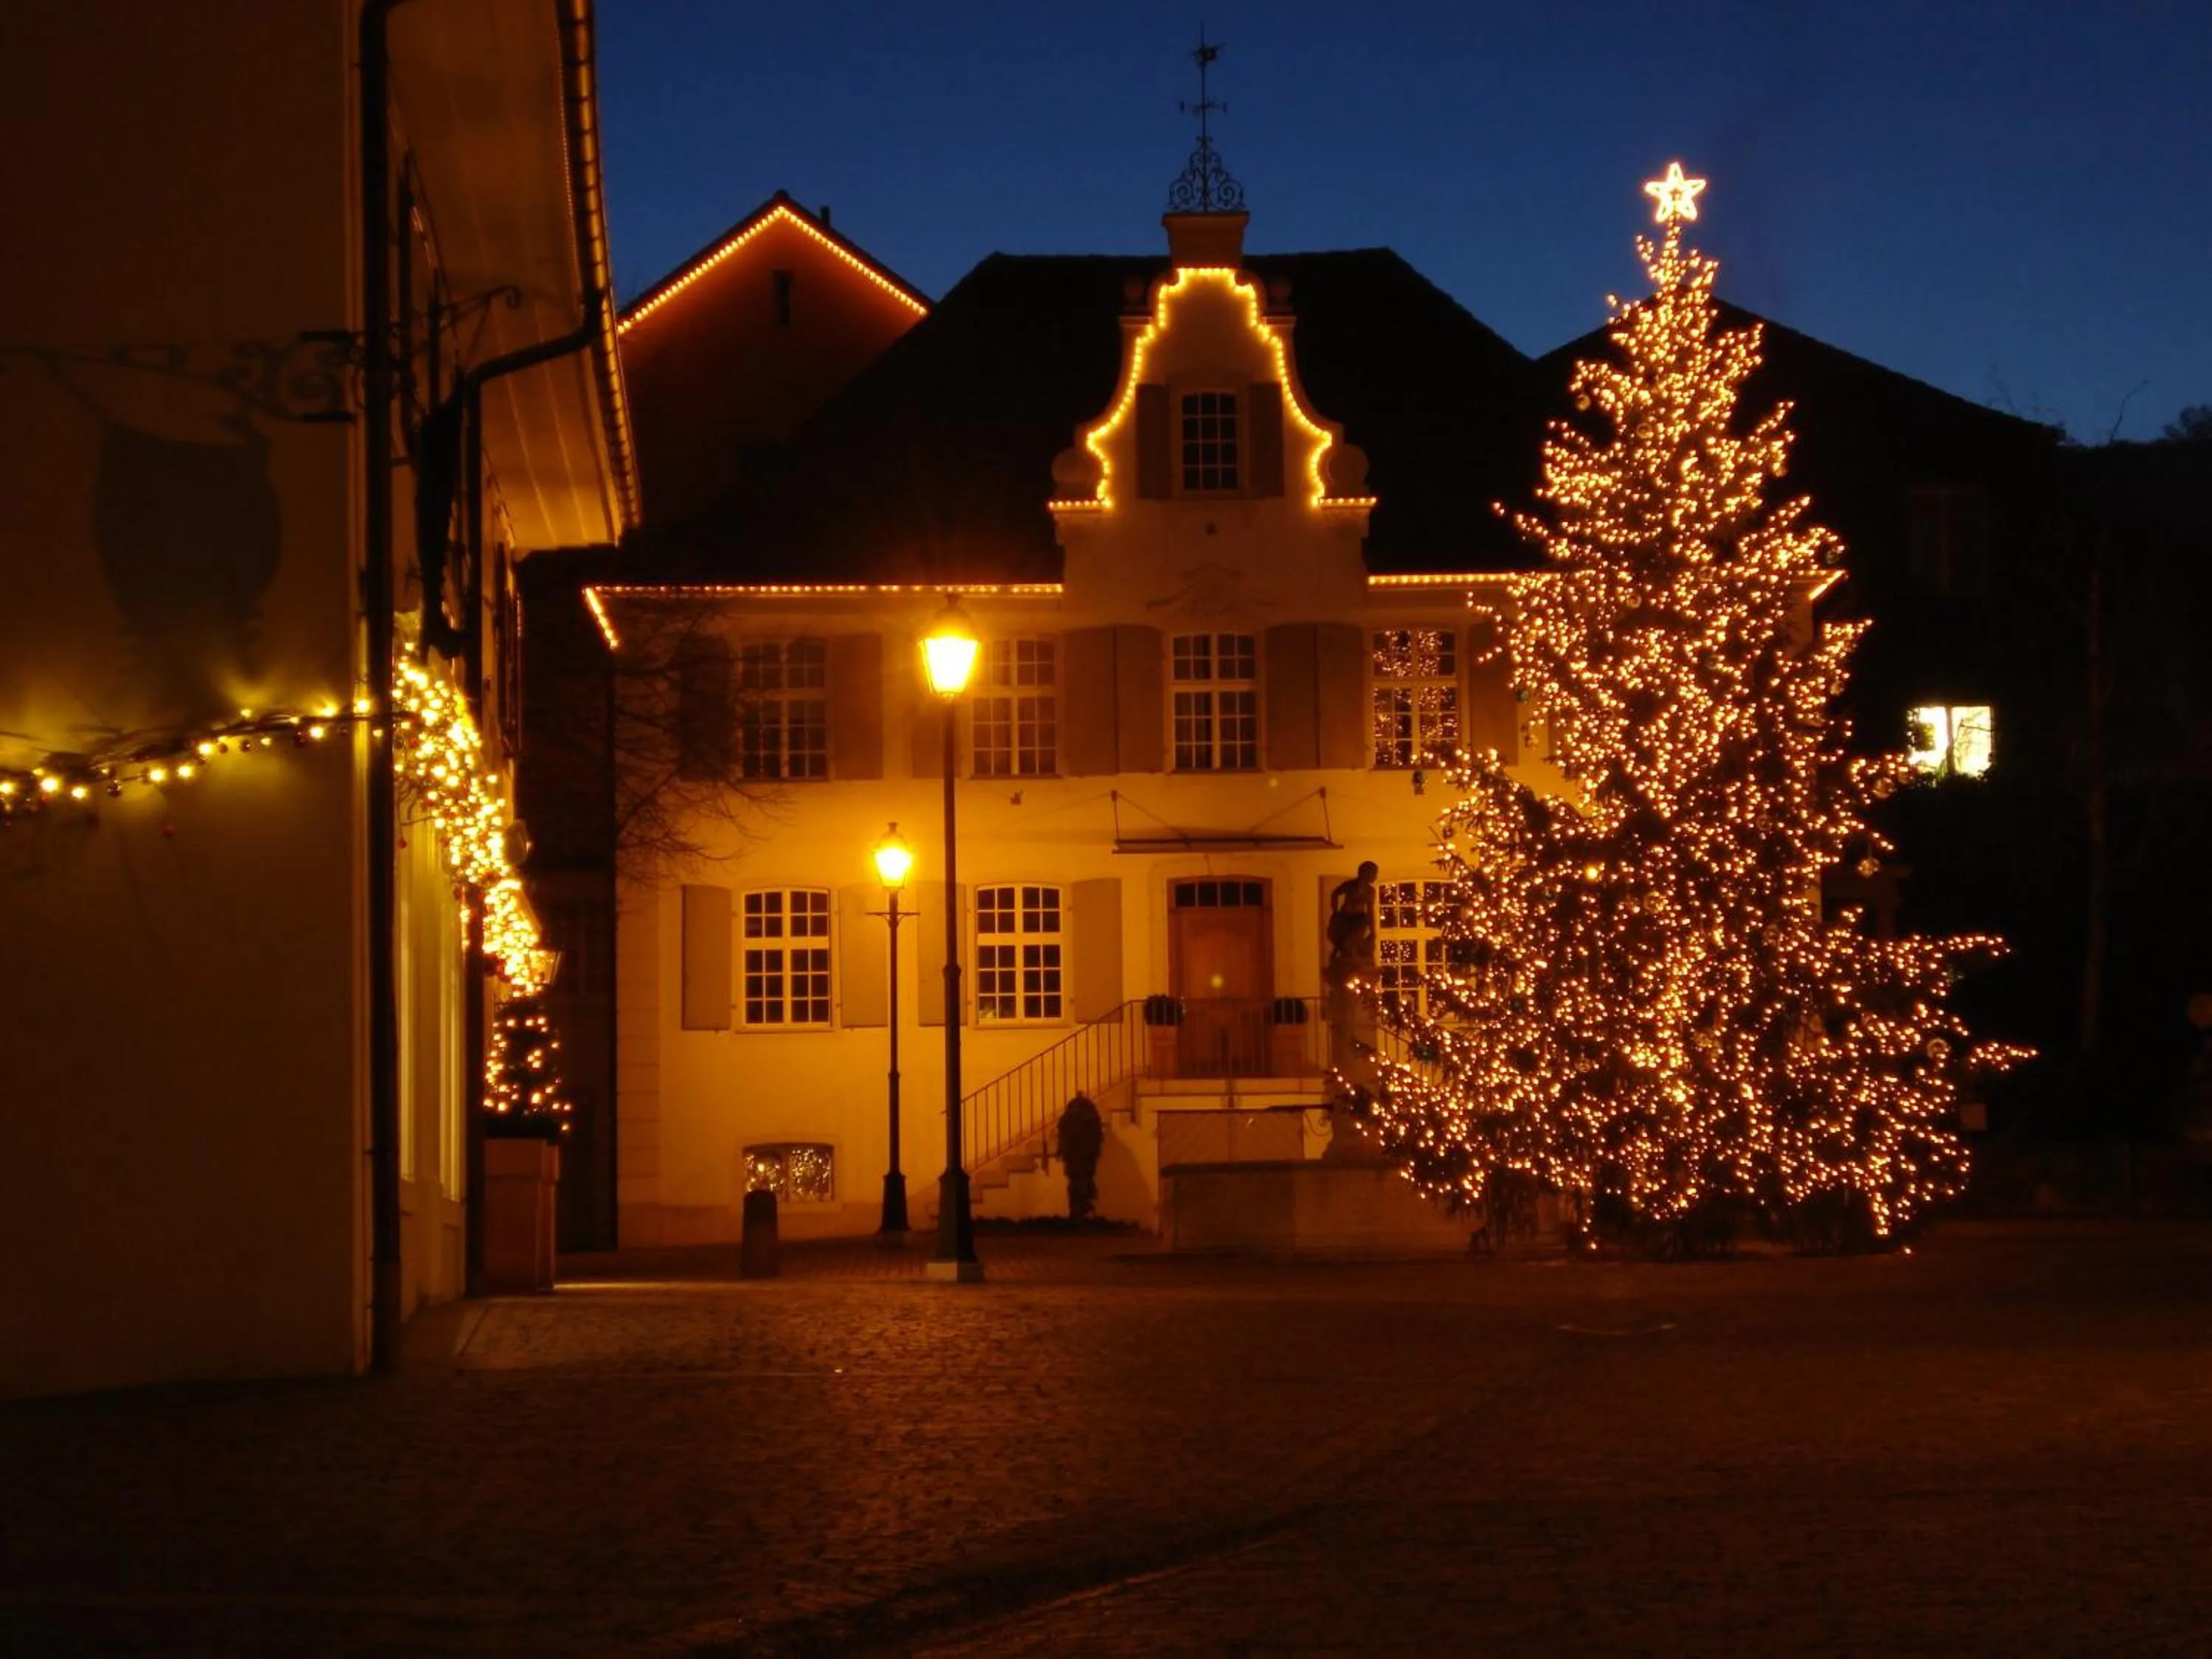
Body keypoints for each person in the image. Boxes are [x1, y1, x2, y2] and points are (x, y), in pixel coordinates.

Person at [1326, 861, 1380, 973]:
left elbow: (1370, 911)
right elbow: (1335, 893)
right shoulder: (1350, 885)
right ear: (1365, 873)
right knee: (1344, 940)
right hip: (1346, 915)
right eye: (1374, 874)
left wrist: (1373, 930)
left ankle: (1353, 954)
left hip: (1359, 917)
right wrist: (1335, 911)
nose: (1375, 877)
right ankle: (1345, 954)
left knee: (1355, 937)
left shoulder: (1370, 891)